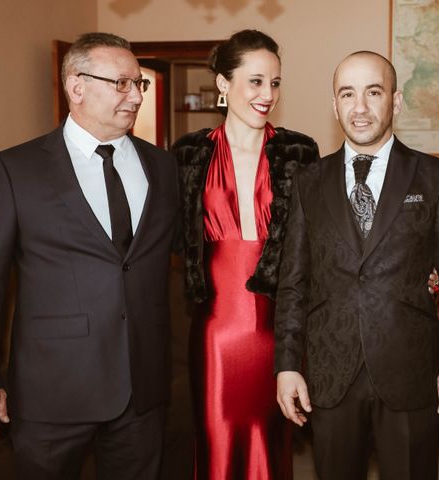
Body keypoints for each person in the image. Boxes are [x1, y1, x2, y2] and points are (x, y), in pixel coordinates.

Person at [0, 32, 179, 479]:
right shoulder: (16, 169)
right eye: (122, 83)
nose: (136, 95)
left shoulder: (162, 167)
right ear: (77, 86)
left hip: (142, 389)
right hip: (53, 390)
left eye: (139, 83)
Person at [274, 50, 439, 480]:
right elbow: (294, 282)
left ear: (396, 102)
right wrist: (287, 365)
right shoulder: (308, 181)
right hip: (330, 371)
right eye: (347, 94)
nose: (359, 107)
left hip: (410, 370)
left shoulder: (436, 177)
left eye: (373, 92)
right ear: (334, 105)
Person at [171, 30, 319, 480]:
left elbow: (317, 241)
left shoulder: (300, 151)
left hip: (282, 326)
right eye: (255, 82)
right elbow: (171, 239)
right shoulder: (188, 154)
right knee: (216, 438)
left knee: (272, 442)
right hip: (217, 327)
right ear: (222, 83)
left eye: (275, 83)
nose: (267, 94)